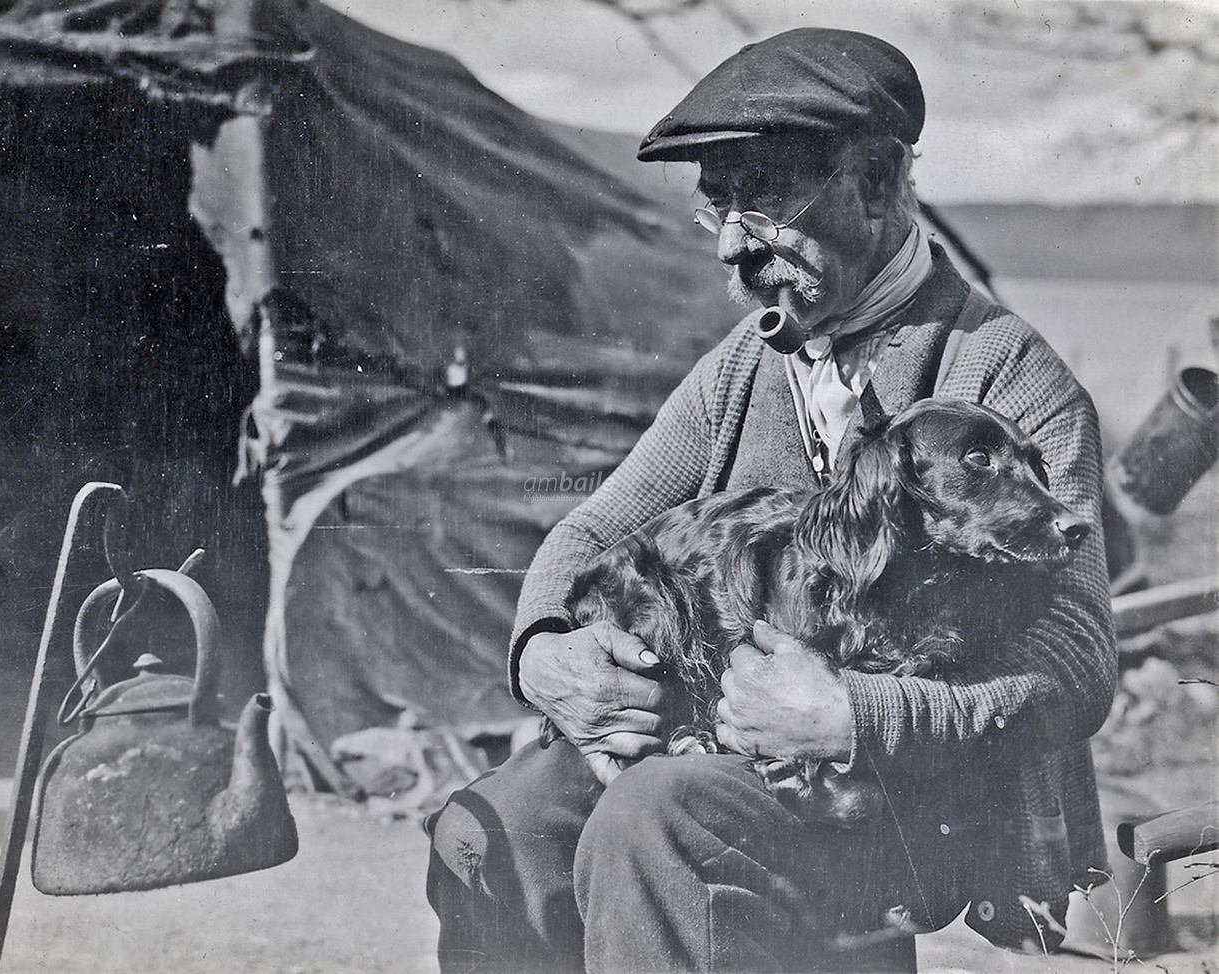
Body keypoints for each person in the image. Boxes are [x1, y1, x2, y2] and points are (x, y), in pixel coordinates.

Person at [426, 27, 1115, 974]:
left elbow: (1075, 667)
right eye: (719, 209)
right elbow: (592, 529)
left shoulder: (1011, 381)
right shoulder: (747, 369)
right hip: (748, 762)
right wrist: (545, 650)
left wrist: (851, 717)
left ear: (875, 183)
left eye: (768, 200)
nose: (735, 250)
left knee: (652, 815)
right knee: (495, 829)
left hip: (918, 804)